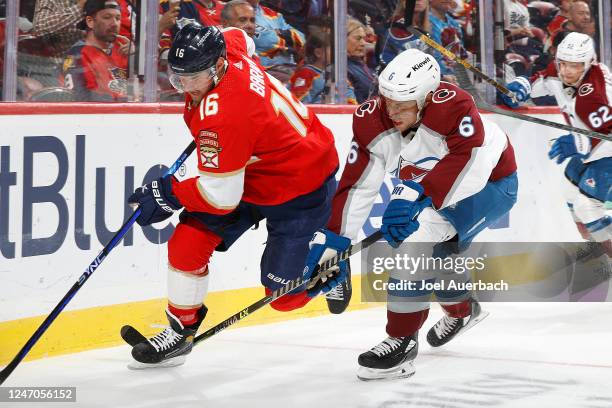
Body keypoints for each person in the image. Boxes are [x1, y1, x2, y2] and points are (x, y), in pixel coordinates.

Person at [125, 24, 343, 368]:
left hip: (302, 182)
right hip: (250, 173)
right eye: (178, 77)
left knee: (284, 298)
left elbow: (219, 197)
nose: (185, 87)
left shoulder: (226, 116)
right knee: (186, 243)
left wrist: (167, 194)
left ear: (220, 66)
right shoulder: (228, 49)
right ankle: (182, 330)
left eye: (194, 78)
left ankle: (328, 272)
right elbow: (242, 37)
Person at [304, 48, 518, 380]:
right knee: (438, 254)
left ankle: (401, 341)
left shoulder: (455, 107)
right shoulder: (372, 119)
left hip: (490, 184)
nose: (392, 111)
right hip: (434, 184)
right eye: (387, 100)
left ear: (429, 97)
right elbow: (357, 185)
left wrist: (417, 195)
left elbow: (469, 167)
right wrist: (335, 240)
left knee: (415, 247)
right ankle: (463, 311)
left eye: (403, 104)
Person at [501, 32, 611, 257]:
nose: (568, 71)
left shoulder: (595, 94)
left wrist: (579, 143)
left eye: (576, 66)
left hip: (607, 151)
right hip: (590, 151)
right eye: (564, 64)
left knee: (587, 207)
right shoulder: (559, 71)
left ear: (589, 63)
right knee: (570, 197)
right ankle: (595, 250)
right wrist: (522, 87)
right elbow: (543, 80)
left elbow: (607, 131)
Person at [62, 0, 128, 101]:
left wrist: (135, 57)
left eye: (118, 18)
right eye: (107, 17)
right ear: (90, 21)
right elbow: (82, 101)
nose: (115, 23)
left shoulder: (120, 51)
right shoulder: (78, 55)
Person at [245, 0, 305, 83]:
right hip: (265, 68)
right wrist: (289, 42)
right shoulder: (237, 13)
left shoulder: (272, 13)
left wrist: (283, 33)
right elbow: (267, 41)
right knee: (298, 80)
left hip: (288, 65)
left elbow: (302, 38)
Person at [289, 32, 357, 104]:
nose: (338, 53)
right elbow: (299, 103)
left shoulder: (341, 77)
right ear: (318, 53)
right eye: (333, 49)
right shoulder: (306, 74)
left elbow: (351, 101)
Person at [347, 17, 375, 103]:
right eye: (358, 38)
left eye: (364, 39)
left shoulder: (361, 64)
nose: (363, 43)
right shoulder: (342, 70)